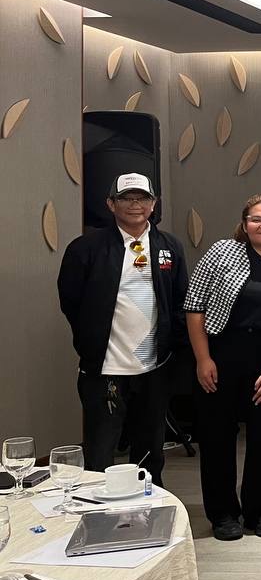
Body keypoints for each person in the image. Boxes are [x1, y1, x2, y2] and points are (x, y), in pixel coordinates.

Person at [184, 194, 261, 540]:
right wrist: (203, 358)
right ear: (245, 223)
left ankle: (259, 510)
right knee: (216, 438)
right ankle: (223, 513)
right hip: (219, 356)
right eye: (256, 219)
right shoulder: (222, 251)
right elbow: (194, 307)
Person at [57, 173, 188, 484]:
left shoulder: (169, 246)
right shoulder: (85, 248)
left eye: (142, 198)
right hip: (105, 369)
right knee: (100, 452)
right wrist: (91, 341)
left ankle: (148, 514)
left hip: (154, 367)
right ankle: (99, 520)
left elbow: (180, 300)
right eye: (127, 198)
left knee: (150, 452)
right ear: (110, 203)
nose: (135, 204)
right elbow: (71, 302)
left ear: (154, 204)